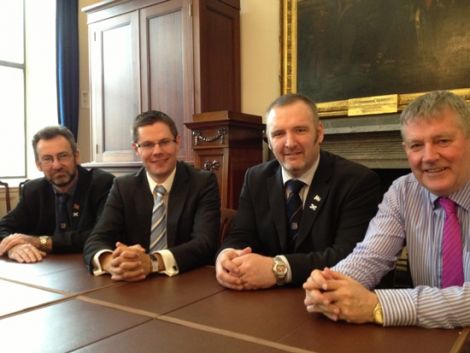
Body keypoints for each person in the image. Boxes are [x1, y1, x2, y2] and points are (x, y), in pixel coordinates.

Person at [303, 90, 470, 329]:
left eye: (443, 141)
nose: (429, 156)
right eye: (416, 145)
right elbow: (371, 256)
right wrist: (329, 285)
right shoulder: (402, 192)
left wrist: (377, 305)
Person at [216, 93, 381, 290]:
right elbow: (241, 234)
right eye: (278, 134)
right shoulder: (256, 178)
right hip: (264, 298)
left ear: (319, 133)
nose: (290, 143)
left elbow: (347, 255)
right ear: (268, 140)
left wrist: (278, 269)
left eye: (300, 130)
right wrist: (226, 256)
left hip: (328, 296)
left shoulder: (357, 181)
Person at [83, 110, 220, 282]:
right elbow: (96, 239)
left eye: (164, 142)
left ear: (177, 142)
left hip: (186, 282)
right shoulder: (123, 187)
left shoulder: (202, 182)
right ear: (136, 149)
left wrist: (153, 263)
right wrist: (112, 263)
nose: (157, 151)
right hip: (134, 285)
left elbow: (205, 243)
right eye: (147, 145)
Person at [0, 126, 114, 263]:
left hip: (88, 267)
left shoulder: (102, 184)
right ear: (38, 165)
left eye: (63, 156)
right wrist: (13, 246)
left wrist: (39, 242)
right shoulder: (33, 190)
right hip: (45, 268)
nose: (57, 165)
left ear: (76, 156)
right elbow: (3, 227)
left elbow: (100, 235)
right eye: (47, 159)